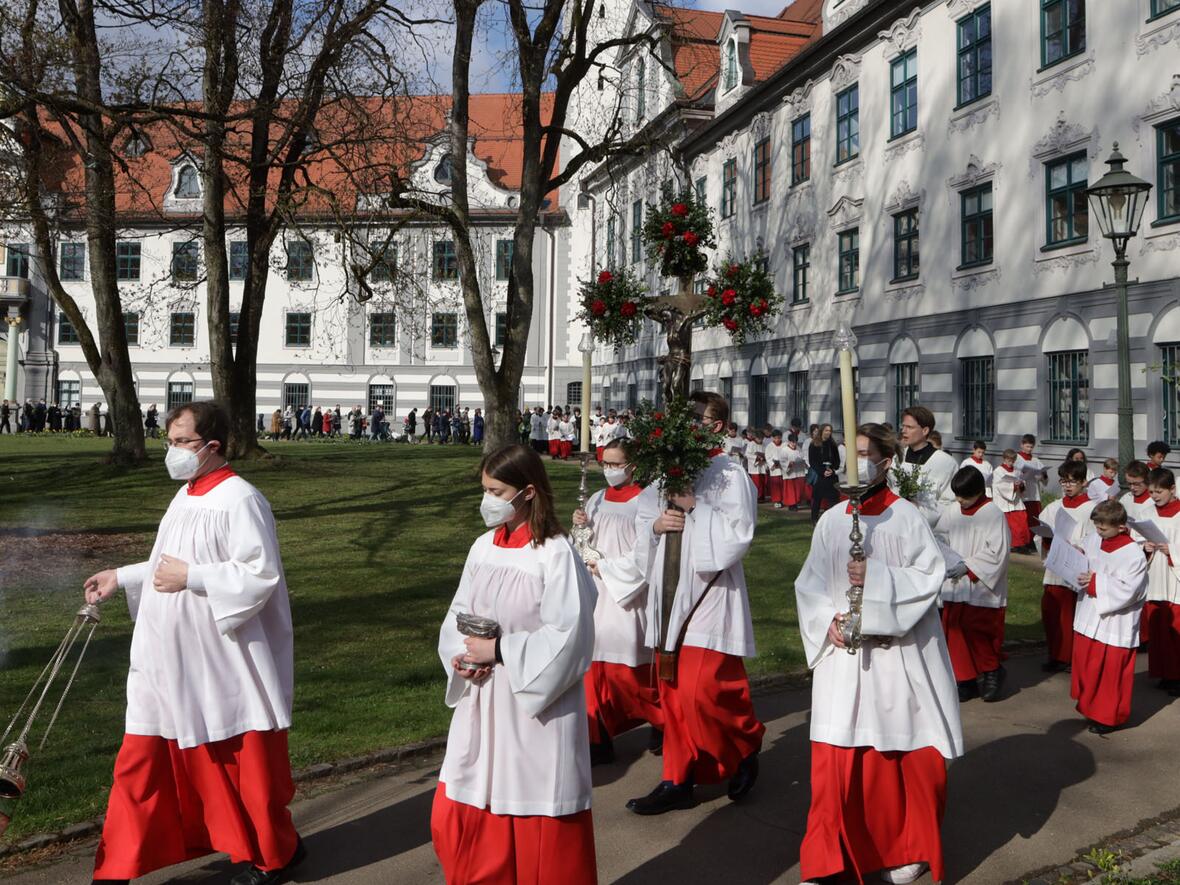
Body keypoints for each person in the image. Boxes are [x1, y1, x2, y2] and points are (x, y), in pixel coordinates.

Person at [83, 401, 303, 885]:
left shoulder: (241, 499)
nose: (173, 451)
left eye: (182, 442)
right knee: (141, 756)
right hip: (164, 654)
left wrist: (195, 577)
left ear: (213, 447)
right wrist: (120, 575)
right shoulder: (186, 495)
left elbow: (259, 574)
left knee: (234, 758)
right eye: (171, 441)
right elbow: (169, 562)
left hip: (217, 658)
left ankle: (270, 855)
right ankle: (116, 866)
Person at [794, 422, 961, 885]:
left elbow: (929, 578)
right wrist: (828, 621)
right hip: (844, 659)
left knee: (898, 754)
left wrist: (877, 578)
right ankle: (827, 859)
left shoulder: (906, 518)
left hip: (897, 657)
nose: (856, 461)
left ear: (887, 461)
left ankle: (904, 850)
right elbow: (810, 583)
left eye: (866, 453)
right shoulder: (831, 519)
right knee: (835, 759)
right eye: (852, 452)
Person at [432, 445, 597, 885]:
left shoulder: (556, 554)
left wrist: (502, 651)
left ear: (527, 492)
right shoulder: (483, 547)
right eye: (484, 489)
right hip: (482, 697)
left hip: (534, 712)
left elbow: (572, 635)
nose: (487, 500)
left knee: (533, 818)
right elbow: (458, 614)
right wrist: (462, 657)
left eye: (495, 490)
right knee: (459, 809)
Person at [626, 391, 764, 815]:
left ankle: (743, 744)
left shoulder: (729, 474)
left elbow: (736, 536)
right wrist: (656, 524)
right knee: (671, 694)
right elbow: (640, 524)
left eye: (695, 420)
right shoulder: (663, 473)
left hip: (708, 593)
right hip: (668, 595)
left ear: (717, 426)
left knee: (705, 690)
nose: (684, 427)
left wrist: (693, 507)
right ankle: (677, 778)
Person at [572, 438, 663, 766]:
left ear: (633, 466)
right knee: (592, 669)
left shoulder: (646, 502)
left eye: (615, 464)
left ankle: (662, 721)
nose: (609, 470)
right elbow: (584, 543)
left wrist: (607, 567)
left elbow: (647, 553)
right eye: (605, 464)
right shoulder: (595, 498)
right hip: (596, 590)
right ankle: (598, 738)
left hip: (627, 594)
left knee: (628, 672)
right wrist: (579, 527)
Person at [935, 466, 1011, 702]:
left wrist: (968, 566)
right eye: (957, 495)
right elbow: (939, 537)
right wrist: (945, 555)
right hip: (955, 583)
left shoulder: (993, 514)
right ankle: (964, 680)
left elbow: (997, 552)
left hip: (980, 585)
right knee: (955, 631)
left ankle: (992, 671)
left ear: (979, 491)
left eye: (965, 496)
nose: (960, 500)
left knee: (977, 631)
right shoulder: (952, 510)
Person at [1072, 501, 1148, 734]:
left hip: (1115, 621)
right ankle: (1091, 708)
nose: (1098, 532)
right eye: (1096, 526)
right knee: (1089, 666)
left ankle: (1108, 716)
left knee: (1110, 672)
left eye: (1103, 528)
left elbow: (1130, 590)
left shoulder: (1133, 554)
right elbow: (1085, 552)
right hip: (1089, 616)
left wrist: (1095, 582)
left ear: (1121, 527)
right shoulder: (1096, 539)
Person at [1038, 460, 1096, 672]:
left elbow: (1096, 539)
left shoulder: (1092, 510)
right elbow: (1041, 532)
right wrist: (1045, 540)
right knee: (1052, 613)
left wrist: (1079, 548)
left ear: (1083, 483)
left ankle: (1071, 657)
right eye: (1064, 481)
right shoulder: (1054, 507)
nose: (1067, 486)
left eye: (1072, 481)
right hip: (1054, 570)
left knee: (1071, 615)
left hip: (1076, 570)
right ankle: (1055, 654)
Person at [1143, 466, 1180, 695]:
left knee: (1175, 629)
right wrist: (1144, 547)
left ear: (1172, 489)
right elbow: (1136, 538)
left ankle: (1177, 675)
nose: (1155, 496)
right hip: (1155, 575)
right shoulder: (1147, 513)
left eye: (1159, 491)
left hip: (1174, 579)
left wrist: (1172, 550)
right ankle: (1164, 673)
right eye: (1152, 492)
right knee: (1157, 628)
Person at [894, 406, 958, 527]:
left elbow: (949, 504)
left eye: (909, 427)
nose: (903, 431)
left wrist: (916, 510)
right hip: (897, 525)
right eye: (903, 426)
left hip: (930, 530)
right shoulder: (897, 458)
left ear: (925, 431)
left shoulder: (945, 462)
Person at [993, 448, 1033, 553]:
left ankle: (1022, 544)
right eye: (1009, 460)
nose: (1011, 463)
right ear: (1004, 459)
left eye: (1012, 461)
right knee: (1011, 525)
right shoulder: (998, 471)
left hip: (1016, 501)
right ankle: (1015, 545)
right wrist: (1013, 486)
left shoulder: (1017, 470)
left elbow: (1022, 481)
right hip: (1004, 502)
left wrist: (1021, 485)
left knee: (1021, 522)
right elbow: (1000, 486)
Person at [808, 423, 841, 524]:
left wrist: (833, 469)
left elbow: (837, 460)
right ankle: (814, 519)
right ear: (822, 431)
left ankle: (833, 519)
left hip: (831, 475)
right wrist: (822, 472)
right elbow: (812, 461)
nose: (828, 433)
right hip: (820, 476)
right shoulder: (814, 444)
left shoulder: (832, 444)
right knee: (817, 498)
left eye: (830, 431)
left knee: (833, 499)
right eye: (826, 430)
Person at [1017, 435, 1049, 532]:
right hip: (1023, 494)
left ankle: (1034, 540)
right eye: (1027, 446)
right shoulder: (1016, 459)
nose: (1029, 449)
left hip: (1034, 494)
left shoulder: (1036, 461)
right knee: (1023, 519)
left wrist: (1043, 475)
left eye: (1031, 447)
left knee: (1035, 518)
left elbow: (1045, 481)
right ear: (1021, 445)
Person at [783, 433, 807, 511]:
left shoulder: (799, 448)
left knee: (798, 489)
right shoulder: (784, 450)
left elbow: (802, 457)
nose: (794, 444)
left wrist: (803, 461)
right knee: (791, 490)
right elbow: (782, 461)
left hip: (798, 471)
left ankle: (796, 502)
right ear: (789, 441)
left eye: (795, 442)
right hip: (790, 473)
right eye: (792, 442)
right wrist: (788, 464)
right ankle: (791, 504)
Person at [746, 429, 768, 503]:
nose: (760, 440)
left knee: (763, 482)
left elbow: (767, 453)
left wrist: (764, 457)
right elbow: (747, 454)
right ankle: (756, 497)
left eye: (762, 438)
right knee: (757, 483)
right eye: (759, 439)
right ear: (755, 438)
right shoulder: (751, 444)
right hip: (755, 467)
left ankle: (762, 496)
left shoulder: (764, 444)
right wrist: (756, 457)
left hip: (762, 465)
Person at [766, 429, 786, 510]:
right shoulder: (769, 446)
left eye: (779, 438)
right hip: (775, 469)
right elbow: (768, 457)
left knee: (783, 485)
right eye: (776, 438)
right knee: (775, 486)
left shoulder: (784, 445)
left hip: (783, 468)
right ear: (772, 438)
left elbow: (786, 454)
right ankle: (777, 501)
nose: (777, 440)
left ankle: (783, 499)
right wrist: (773, 464)